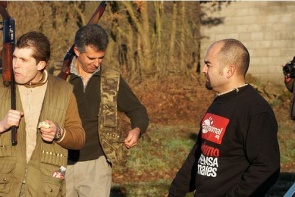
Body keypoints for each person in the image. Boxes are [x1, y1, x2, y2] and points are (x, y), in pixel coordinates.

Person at [169, 38, 280, 197]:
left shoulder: (255, 111)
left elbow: (266, 168)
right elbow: (200, 152)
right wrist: (176, 191)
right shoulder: (220, 101)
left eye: (208, 64)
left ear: (229, 70)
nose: (203, 70)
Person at [65, 24, 149, 197]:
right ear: (77, 51)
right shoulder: (57, 76)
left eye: (101, 58)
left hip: (97, 165)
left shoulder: (111, 78)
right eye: (91, 58)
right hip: (59, 161)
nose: (97, 63)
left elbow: (137, 109)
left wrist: (137, 129)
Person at [0, 31, 86, 196]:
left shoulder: (63, 91)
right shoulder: (2, 86)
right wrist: (2, 125)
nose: (15, 64)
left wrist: (59, 133)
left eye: (24, 60)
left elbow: (79, 138)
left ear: (40, 65)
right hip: (5, 186)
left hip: (44, 188)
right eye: (15, 57)